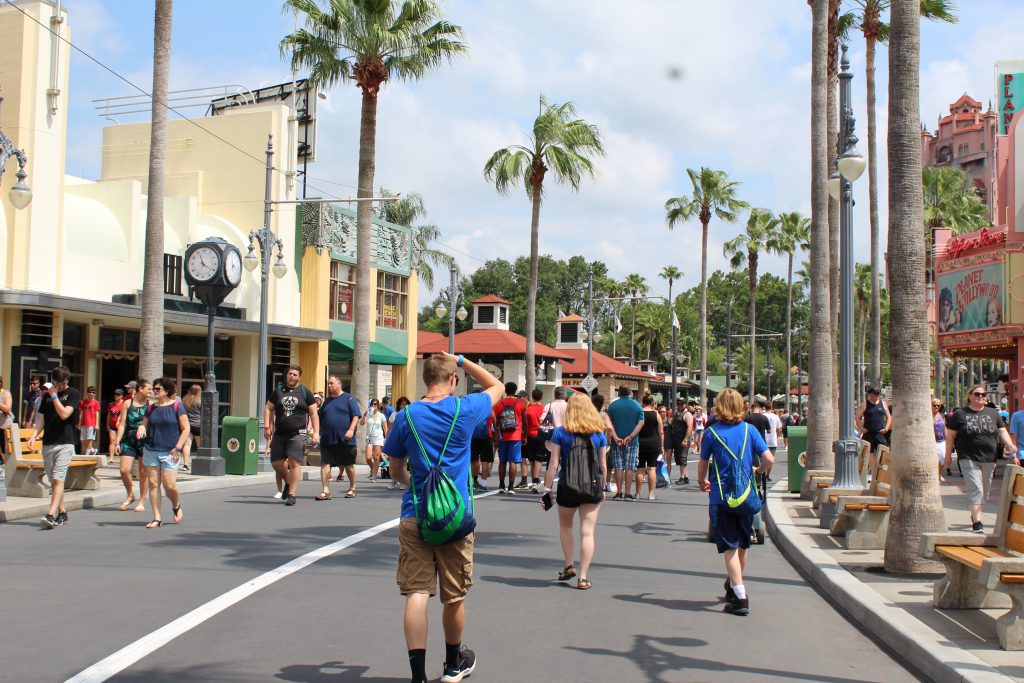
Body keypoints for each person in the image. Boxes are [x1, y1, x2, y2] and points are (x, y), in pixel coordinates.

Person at [385, 353, 503, 683]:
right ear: (452, 380)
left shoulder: (405, 416)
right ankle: (454, 664)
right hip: (455, 518)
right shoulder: (464, 409)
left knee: (417, 594)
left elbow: (395, 470)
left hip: (415, 515)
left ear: (425, 379)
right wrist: (463, 360)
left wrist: (416, 488)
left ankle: (418, 676)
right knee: (454, 596)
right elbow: (497, 386)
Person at [698, 388, 773, 616]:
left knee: (729, 546)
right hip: (745, 494)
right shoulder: (750, 430)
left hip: (721, 496)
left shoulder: (711, 433)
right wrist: (758, 470)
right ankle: (733, 584)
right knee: (742, 543)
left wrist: (702, 481)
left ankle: (740, 596)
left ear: (719, 407)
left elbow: (702, 463)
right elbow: (769, 458)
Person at [542, 392, 609, 590]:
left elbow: (553, 464)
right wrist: (603, 486)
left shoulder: (560, 433)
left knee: (566, 527)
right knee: (587, 532)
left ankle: (569, 565)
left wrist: (547, 490)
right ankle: (583, 577)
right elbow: (603, 466)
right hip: (592, 487)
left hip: (567, 486)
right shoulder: (598, 434)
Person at [947, 384, 1015, 534]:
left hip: (989, 458)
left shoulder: (993, 413)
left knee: (984, 490)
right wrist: (947, 457)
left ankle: (974, 513)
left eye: (983, 395)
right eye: (977, 394)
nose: (981, 397)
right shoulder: (960, 414)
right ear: (970, 396)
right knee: (976, 488)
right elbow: (950, 436)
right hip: (967, 457)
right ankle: (977, 522)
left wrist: (1009, 444)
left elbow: (1002, 431)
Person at [28, 367, 80, 529]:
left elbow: (65, 414)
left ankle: (50, 514)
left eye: (63, 383)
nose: (61, 386)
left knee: (58, 479)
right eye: (58, 383)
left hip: (65, 442)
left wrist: (54, 395)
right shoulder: (46, 396)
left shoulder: (73, 393)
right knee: (55, 482)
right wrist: (34, 434)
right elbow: (42, 417)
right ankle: (62, 512)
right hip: (48, 442)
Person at [137, 377, 189, 528]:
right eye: (154, 388)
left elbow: (186, 429)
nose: (154, 391)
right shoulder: (150, 407)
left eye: (158, 389)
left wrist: (178, 448)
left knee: (169, 485)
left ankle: (176, 505)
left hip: (170, 451)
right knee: (153, 484)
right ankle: (157, 518)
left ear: (167, 391)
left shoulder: (177, 406)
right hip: (151, 449)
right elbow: (144, 424)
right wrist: (141, 428)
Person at [266, 364, 319, 505]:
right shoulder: (278, 391)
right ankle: (289, 482)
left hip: (297, 433)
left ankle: (292, 495)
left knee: (294, 462)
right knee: (276, 463)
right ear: (286, 375)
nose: (291, 376)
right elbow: (268, 408)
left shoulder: (304, 392)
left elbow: (313, 413)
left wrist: (316, 433)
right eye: (290, 374)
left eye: (295, 374)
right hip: (279, 433)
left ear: (299, 377)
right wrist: (267, 426)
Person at [317, 375, 361, 500]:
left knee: (348, 465)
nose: (329, 386)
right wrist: (316, 433)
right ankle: (325, 490)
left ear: (339, 384)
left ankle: (352, 487)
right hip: (327, 438)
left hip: (345, 439)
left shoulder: (349, 398)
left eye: (331, 383)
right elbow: (321, 419)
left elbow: (356, 415)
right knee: (325, 464)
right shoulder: (326, 401)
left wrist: (351, 430)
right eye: (328, 384)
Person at [114, 380, 151, 512]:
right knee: (124, 470)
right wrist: (117, 441)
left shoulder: (150, 404)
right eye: (148, 389)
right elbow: (122, 423)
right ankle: (130, 494)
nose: (151, 392)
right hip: (128, 439)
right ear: (140, 389)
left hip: (144, 440)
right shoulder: (127, 403)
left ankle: (141, 501)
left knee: (143, 472)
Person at [606, 386, 644, 500]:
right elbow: (640, 423)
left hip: (616, 441)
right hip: (632, 441)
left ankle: (619, 492)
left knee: (618, 466)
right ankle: (627, 492)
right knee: (630, 466)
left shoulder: (612, 406)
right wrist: (631, 436)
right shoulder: (637, 405)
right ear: (630, 393)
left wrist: (616, 437)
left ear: (619, 394)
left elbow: (608, 423)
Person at [493, 381, 527, 494]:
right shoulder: (521, 403)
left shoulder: (499, 404)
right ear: (515, 390)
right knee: (513, 461)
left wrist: (496, 437)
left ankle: (501, 485)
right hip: (516, 435)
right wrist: (525, 435)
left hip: (502, 436)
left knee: (502, 461)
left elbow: (496, 421)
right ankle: (511, 487)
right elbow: (525, 421)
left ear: (505, 391)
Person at [636, 393, 663, 501]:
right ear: (652, 403)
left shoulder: (639, 413)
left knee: (640, 468)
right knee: (652, 468)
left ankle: (637, 493)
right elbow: (660, 432)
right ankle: (651, 494)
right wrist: (662, 446)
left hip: (640, 442)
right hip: (653, 443)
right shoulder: (656, 414)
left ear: (642, 402)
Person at [523, 388, 547, 493]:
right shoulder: (544, 409)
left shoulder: (528, 408)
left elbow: (525, 423)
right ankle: (535, 481)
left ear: (532, 396)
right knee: (539, 460)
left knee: (532, 460)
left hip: (530, 436)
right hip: (541, 435)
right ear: (541, 397)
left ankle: (534, 481)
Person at [856, 387, 892, 453]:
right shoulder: (865, 403)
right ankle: (872, 464)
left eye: (878, 393)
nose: (877, 395)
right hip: (868, 433)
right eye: (875, 393)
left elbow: (889, 417)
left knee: (882, 455)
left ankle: (878, 464)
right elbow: (857, 417)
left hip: (880, 433)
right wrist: (861, 428)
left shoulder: (883, 403)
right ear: (870, 394)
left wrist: (886, 428)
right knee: (869, 454)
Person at [361, 398, 389, 482]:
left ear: (378, 405)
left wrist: (386, 439)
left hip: (378, 437)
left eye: (375, 404)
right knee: (368, 457)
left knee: (376, 457)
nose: (373, 405)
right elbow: (362, 423)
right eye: (372, 404)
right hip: (369, 437)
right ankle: (373, 469)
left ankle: (374, 476)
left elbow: (385, 428)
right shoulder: (368, 414)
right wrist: (365, 415)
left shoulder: (381, 415)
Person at [470, 402, 495, 492]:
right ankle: (483, 484)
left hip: (474, 437)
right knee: (485, 461)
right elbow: (495, 423)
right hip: (487, 437)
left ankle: (471, 483)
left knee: (473, 460)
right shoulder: (489, 410)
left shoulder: (473, 410)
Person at [670, 398, 693, 485]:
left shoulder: (687, 414)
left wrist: (686, 439)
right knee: (679, 458)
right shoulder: (676, 413)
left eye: (681, 404)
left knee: (683, 458)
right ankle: (686, 477)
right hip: (676, 439)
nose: (679, 405)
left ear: (685, 404)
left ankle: (682, 477)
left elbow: (690, 427)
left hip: (683, 439)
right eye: (678, 403)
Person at [181, 384, 202, 472]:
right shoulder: (200, 401)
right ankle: (201, 462)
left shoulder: (184, 400)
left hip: (187, 425)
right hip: (198, 425)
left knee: (187, 445)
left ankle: (185, 464)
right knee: (199, 445)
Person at [77, 386, 100, 455]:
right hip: (84, 423)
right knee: (83, 439)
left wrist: (96, 424)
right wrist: (79, 423)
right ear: (87, 393)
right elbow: (81, 413)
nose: (92, 394)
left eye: (93, 393)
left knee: (89, 439)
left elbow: (97, 414)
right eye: (90, 392)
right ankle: (92, 450)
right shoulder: (82, 402)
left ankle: (87, 455)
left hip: (92, 423)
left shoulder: (96, 403)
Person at [107, 388, 126, 462]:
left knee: (121, 441)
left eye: (118, 394)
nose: (116, 396)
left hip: (121, 426)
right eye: (115, 394)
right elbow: (109, 415)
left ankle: (123, 458)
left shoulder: (124, 404)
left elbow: (123, 414)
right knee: (112, 441)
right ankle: (111, 458)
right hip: (112, 425)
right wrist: (107, 424)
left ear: (121, 396)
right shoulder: (111, 404)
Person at [933, 399, 948, 483]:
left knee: (942, 459)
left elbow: (944, 427)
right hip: (932, 441)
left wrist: (947, 438)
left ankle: (939, 474)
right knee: (935, 460)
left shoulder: (942, 415)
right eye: (934, 405)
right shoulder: (928, 416)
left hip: (941, 440)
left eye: (938, 405)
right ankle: (936, 476)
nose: (936, 407)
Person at [0, 374, 12, 458]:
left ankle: (6, 468)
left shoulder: (6, 394)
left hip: (4, 426)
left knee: (5, 450)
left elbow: (7, 408)